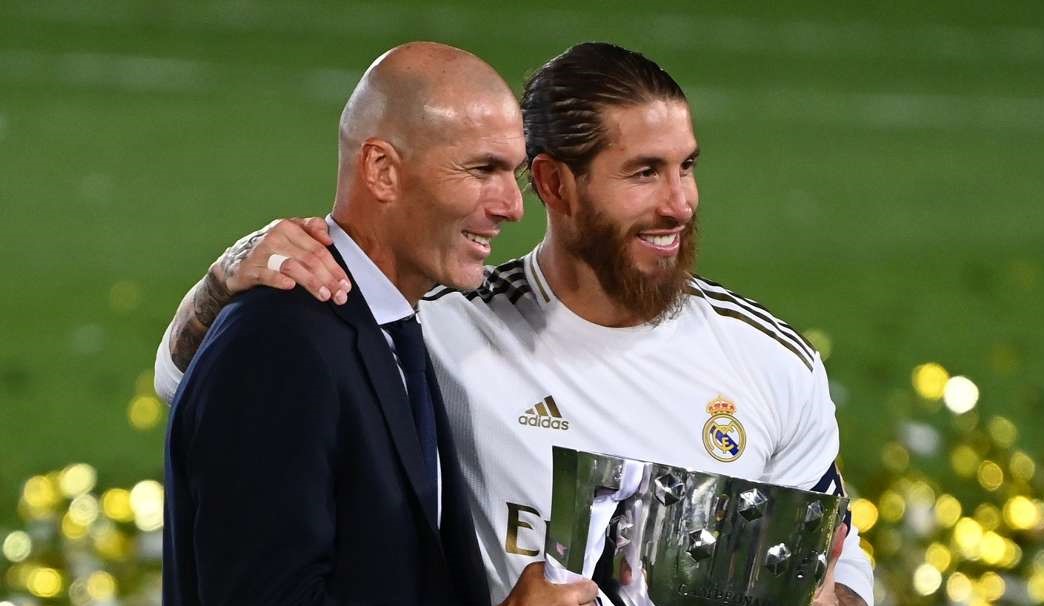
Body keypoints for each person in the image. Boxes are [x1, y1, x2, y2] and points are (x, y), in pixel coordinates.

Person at [156, 43, 873, 606]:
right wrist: (233, 271)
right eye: (644, 172)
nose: (680, 203)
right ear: (557, 183)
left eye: (687, 166)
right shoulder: (439, 323)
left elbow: (836, 566)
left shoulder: (771, 360)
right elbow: (193, 378)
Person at [161, 41, 598, 606]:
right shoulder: (281, 342)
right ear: (382, 170)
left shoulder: (394, 328)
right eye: (482, 169)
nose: (513, 206)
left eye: (511, 173)